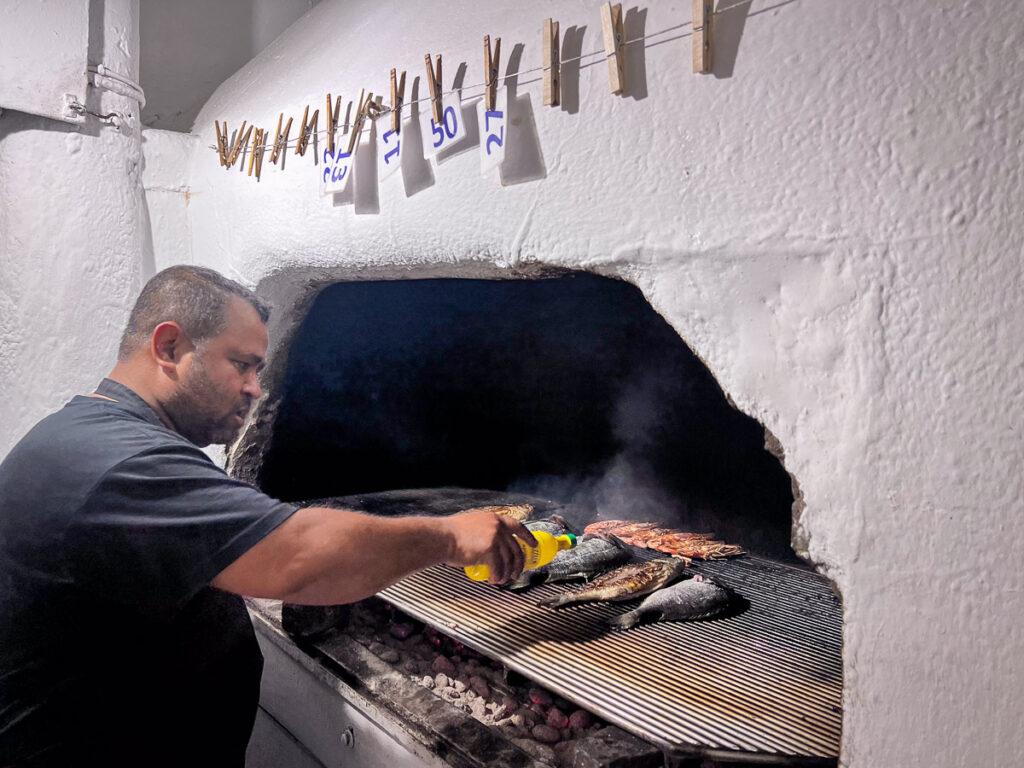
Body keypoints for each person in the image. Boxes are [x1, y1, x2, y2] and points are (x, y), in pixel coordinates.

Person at [0, 265, 535, 767]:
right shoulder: (122, 464)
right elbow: (300, 560)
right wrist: (449, 534)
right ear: (169, 346)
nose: (256, 388)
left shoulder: (87, 433)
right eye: (242, 364)